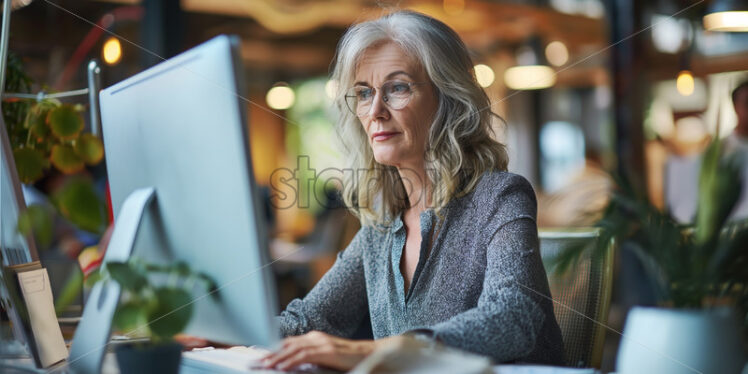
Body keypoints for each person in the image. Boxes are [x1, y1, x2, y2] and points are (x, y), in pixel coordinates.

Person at [263, 11, 564, 371]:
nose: (375, 110)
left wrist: (371, 350)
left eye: (398, 87)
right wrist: (214, 335)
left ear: (448, 98)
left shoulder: (500, 197)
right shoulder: (381, 223)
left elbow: (513, 319)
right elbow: (308, 322)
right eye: (363, 93)